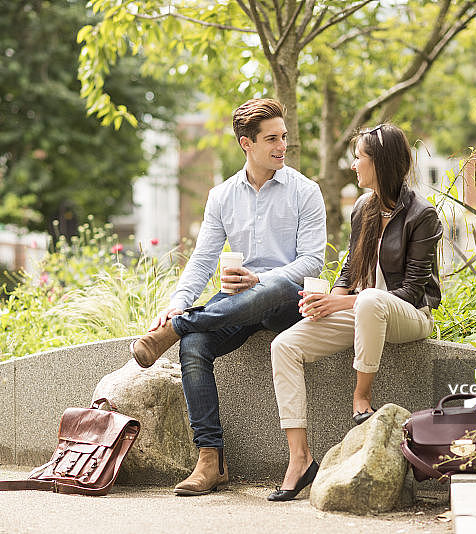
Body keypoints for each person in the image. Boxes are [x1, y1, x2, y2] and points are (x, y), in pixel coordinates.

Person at [130, 98, 327, 496]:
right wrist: (177, 301)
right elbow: (203, 259)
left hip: (286, 298)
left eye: (283, 137)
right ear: (246, 143)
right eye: (271, 139)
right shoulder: (222, 196)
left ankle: (180, 326)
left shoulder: (305, 191)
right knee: (195, 346)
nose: (282, 146)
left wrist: (261, 278)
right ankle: (211, 459)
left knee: (270, 287)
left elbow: (312, 261)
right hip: (237, 302)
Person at [267, 123, 443, 501]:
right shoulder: (363, 207)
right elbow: (349, 269)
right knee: (284, 345)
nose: (352, 165)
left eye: (359, 157)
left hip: (409, 315)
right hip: (364, 311)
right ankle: (300, 459)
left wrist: (346, 301)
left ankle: (361, 397)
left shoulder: (422, 215)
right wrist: (327, 302)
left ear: (380, 162)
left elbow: (411, 292)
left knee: (369, 300)